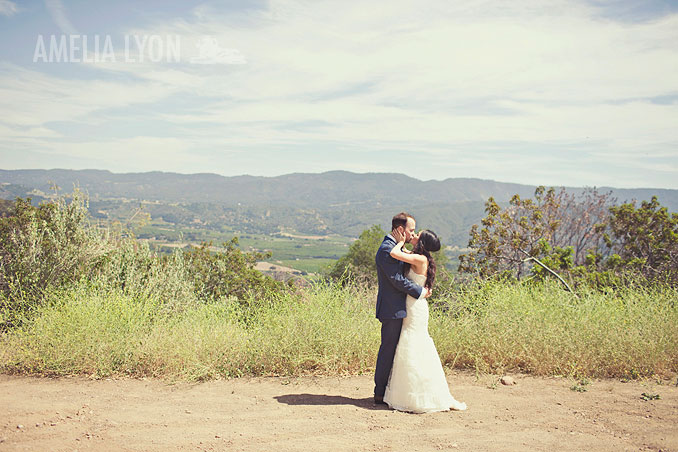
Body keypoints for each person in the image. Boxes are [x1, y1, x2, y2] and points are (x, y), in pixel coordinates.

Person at [383, 229, 467, 413]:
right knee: (411, 342)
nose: (413, 236)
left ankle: (420, 394)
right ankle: (410, 392)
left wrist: (400, 240)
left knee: (413, 342)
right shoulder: (417, 256)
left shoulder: (420, 259)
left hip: (415, 306)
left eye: (417, 235)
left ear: (422, 241)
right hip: (413, 303)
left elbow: (394, 253)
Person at [373, 212, 431, 405]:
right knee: (388, 349)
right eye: (411, 230)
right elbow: (397, 280)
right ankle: (379, 393)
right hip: (392, 308)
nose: (412, 234)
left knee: (400, 350)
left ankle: (393, 391)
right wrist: (420, 291)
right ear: (400, 230)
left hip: (403, 307)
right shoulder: (385, 250)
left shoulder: (398, 247)